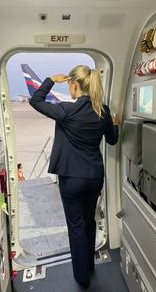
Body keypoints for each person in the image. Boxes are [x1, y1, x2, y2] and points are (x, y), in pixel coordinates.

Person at [29, 65, 119, 289]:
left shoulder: (66, 110)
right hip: (94, 177)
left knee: (76, 226)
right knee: (89, 221)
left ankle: (82, 277)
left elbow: (36, 100)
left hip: (71, 179)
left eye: (70, 84)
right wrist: (115, 125)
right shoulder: (104, 111)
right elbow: (112, 140)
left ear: (74, 85)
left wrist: (50, 79)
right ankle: (89, 266)